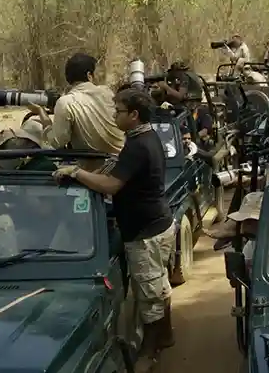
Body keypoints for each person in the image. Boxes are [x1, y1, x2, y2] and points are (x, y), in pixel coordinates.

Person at [53, 89, 175, 359]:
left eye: (118, 111)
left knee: (149, 295)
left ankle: (148, 352)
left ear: (133, 115)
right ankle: (166, 337)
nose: (113, 114)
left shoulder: (138, 145)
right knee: (158, 285)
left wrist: (76, 172)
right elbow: (121, 171)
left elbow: (111, 185)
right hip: (157, 223)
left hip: (145, 231)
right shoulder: (143, 137)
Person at [27, 53, 125, 170]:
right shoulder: (108, 92)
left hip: (95, 173)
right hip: (122, 165)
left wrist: (41, 112)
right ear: (89, 75)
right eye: (97, 73)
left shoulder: (65, 102)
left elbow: (56, 142)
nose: (99, 77)